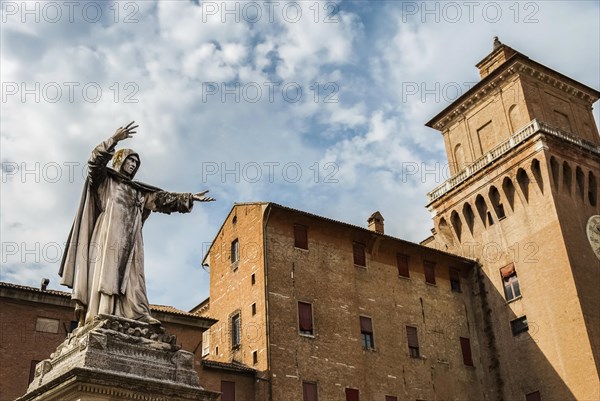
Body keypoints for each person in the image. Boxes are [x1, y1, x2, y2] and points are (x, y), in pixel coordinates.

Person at [59, 122, 215, 325]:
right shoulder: (106, 181)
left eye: (135, 162)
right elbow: (94, 163)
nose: (132, 165)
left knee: (135, 276)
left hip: (133, 238)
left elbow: (162, 199)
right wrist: (114, 139)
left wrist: (190, 197)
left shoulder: (139, 190)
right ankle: (103, 311)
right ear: (119, 161)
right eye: (129, 160)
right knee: (108, 271)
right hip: (109, 232)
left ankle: (136, 313)